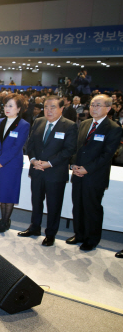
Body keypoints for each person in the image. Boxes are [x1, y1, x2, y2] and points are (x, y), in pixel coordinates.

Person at [18, 96, 78, 246]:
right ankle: (34, 228)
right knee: (36, 201)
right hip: (37, 170)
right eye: (46, 107)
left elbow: (69, 150)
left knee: (53, 205)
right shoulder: (39, 121)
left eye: (53, 107)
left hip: (55, 173)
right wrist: (33, 161)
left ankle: (50, 234)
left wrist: (49, 163)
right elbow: (30, 144)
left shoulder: (69, 126)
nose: (48, 110)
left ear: (61, 109)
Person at [67, 94, 122, 251]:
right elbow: (77, 148)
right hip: (78, 173)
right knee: (77, 205)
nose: (94, 108)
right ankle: (79, 234)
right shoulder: (84, 124)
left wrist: (87, 169)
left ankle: (92, 239)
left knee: (92, 208)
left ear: (108, 108)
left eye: (98, 105)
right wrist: (74, 165)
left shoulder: (113, 128)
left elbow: (107, 155)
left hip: (95, 176)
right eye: (92, 105)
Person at [0, 94, 30, 232]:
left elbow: (17, 147)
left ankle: (6, 221)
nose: (7, 108)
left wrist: (1, 160)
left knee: (9, 192)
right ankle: (3, 219)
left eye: (11, 106)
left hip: (11, 164)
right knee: (1, 191)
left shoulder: (24, 125)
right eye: (6, 105)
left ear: (19, 109)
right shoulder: (1, 121)